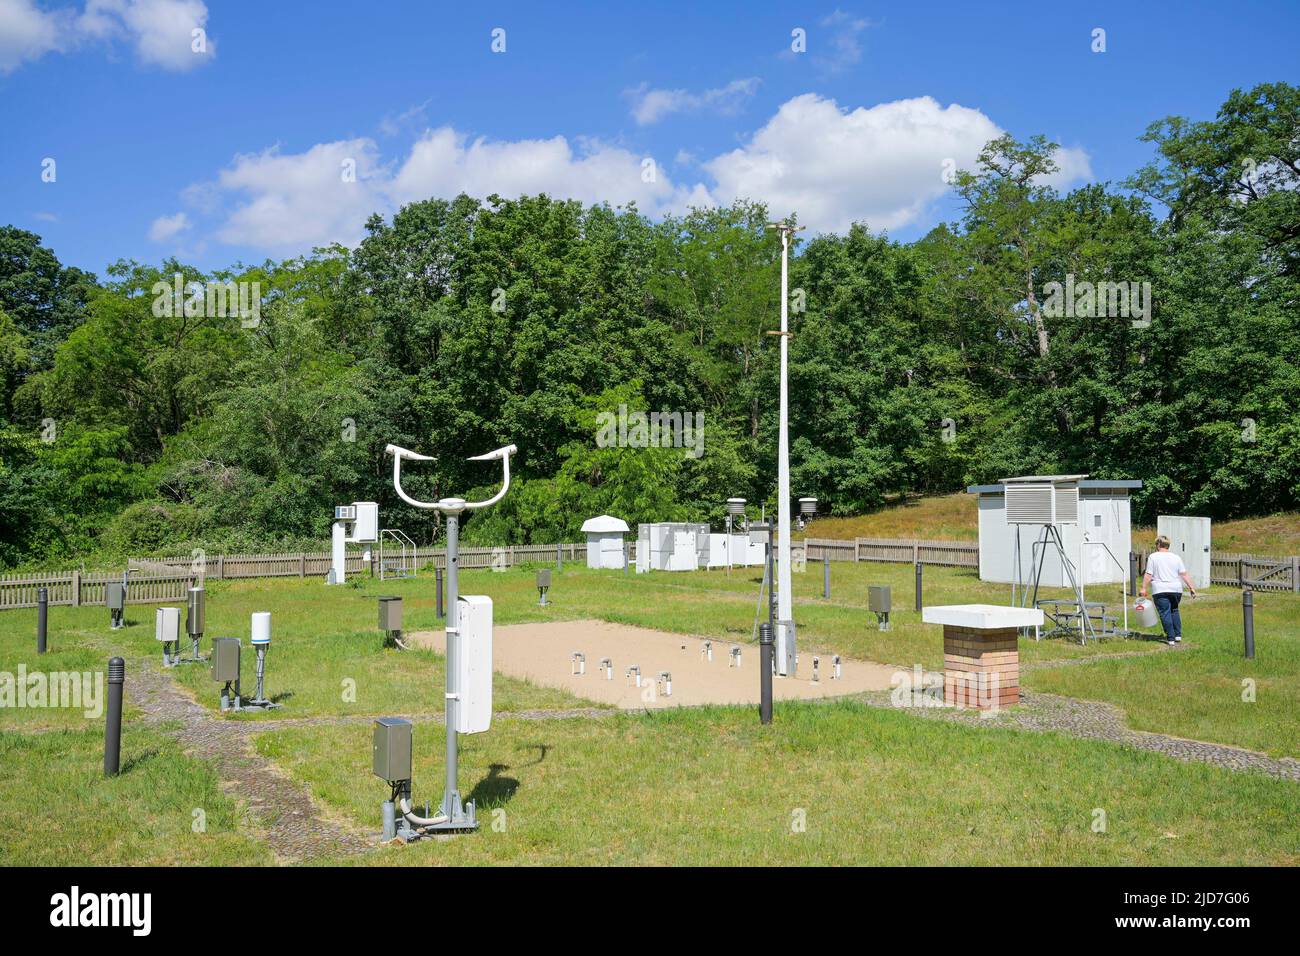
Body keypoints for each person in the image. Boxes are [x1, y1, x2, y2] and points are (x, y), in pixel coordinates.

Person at [1139, 535, 1198, 645]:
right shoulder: (1176, 557)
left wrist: (1143, 588)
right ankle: (1178, 635)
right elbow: (1184, 574)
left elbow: (1148, 574)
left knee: (1165, 613)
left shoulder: (1153, 557)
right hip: (1176, 589)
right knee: (1174, 610)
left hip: (1160, 589)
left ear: (1158, 545)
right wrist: (1191, 588)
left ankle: (1170, 638)